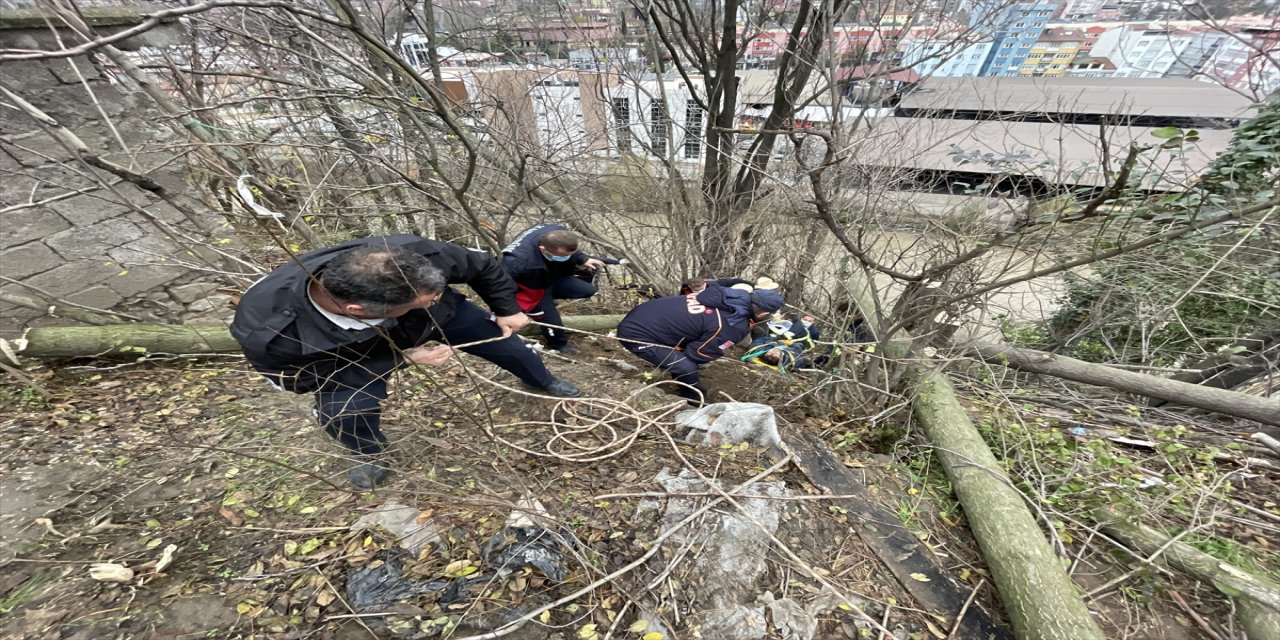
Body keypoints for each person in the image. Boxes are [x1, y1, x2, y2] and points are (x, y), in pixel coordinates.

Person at [230, 235, 582, 489]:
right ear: (360, 311)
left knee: (512, 348)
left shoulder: (406, 255)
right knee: (343, 412)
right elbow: (300, 381)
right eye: (425, 299)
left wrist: (507, 310)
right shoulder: (270, 328)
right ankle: (368, 452)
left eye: (435, 293)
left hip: (433, 320)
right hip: (351, 357)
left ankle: (540, 380)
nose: (434, 298)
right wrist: (401, 358)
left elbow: (482, 265)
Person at [616, 282, 785, 404]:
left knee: (686, 352)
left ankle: (671, 367)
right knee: (686, 366)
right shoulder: (732, 325)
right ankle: (693, 399)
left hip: (643, 315)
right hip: (636, 334)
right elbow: (699, 353)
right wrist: (689, 365)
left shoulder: (724, 295)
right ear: (762, 312)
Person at [501, 224, 608, 355]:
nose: (566, 258)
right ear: (543, 249)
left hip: (551, 277)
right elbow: (500, 286)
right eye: (562, 256)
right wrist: (510, 310)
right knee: (551, 321)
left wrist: (582, 258)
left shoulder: (558, 232)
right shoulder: (517, 262)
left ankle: (551, 299)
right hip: (532, 288)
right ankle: (558, 344)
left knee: (586, 290)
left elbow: (570, 250)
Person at [742, 313, 822, 372]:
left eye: (770, 353)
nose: (775, 351)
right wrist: (792, 344)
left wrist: (773, 340)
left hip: (781, 339)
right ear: (781, 358)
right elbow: (800, 355)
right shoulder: (792, 359)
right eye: (776, 355)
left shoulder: (760, 349)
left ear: (765, 353)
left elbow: (760, 341)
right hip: (797, 344)